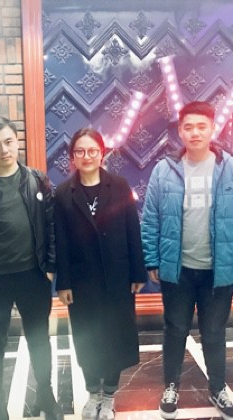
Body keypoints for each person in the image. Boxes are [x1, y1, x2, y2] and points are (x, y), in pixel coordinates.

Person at [0, 117, 63, 420]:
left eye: (8, 142)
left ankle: (46, 394)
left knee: (39, 338)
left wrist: (50, 267)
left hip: (33, 275)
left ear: (17, 141)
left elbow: (51, 225)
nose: (3, 150)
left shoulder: (37, 180)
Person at [141, 101, 233, 420]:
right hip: (177, 270)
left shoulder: (229, 168)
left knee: (214, 332)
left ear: (213, 129)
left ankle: (218, 387)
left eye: (202, 126)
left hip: (218, 271)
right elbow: (150, 218)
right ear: (180, 131)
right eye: (188, 127)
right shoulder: (164, 170)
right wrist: (152, 259)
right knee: (175, 329)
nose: (195, 133)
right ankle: (171, 386)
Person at [54, 128, 146, 420]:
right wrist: (63, 282)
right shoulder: (63, 193)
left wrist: (138, 272)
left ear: (102, 153)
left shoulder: (118, 186)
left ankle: (108, 397)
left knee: (116, 336)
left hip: (118, 276)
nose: (87, 156)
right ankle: (93, 392)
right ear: (72, 157)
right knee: (87, 337)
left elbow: (132, 230)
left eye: (92, 150)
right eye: (80, 151)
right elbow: (60, 242)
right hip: (82, 280)